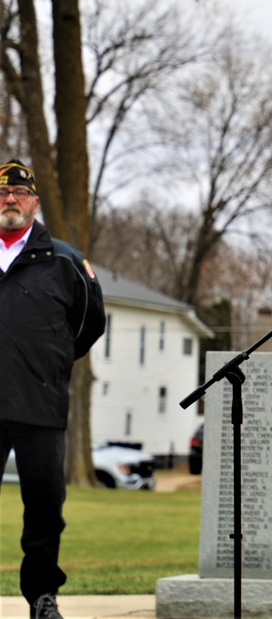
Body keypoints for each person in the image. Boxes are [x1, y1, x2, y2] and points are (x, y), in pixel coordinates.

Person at [0, 161, 106, 619]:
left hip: (39, 404)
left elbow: (90, 322)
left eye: (20, 194)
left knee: (44, 510)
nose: (11, 201)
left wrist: (53, 360)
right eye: (3, 194)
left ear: (35, 203)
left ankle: (42, 598)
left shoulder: (63, 260)